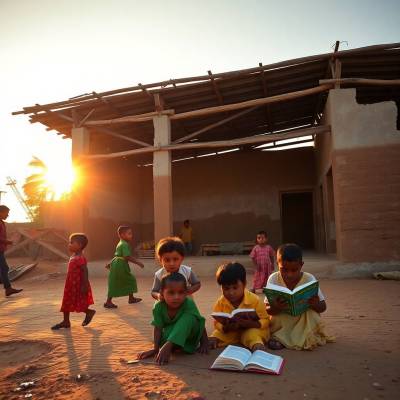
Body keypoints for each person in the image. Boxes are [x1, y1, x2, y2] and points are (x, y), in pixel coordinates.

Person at [265, 243, 334, 350]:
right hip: (283, 318)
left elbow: (323, 307)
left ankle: (292, 339)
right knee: (277, 318)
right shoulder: (273, 279)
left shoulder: (309, 279)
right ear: (277, 264)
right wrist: (276, 307)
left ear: (301, 265)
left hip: (303, 318)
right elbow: (267, 310)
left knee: (311, 315)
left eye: (294, 270)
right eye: (284, 270)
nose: (289, 275)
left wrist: (315, 304)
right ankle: (282, 338)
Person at [137, 272, 208, 365]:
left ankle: (170, 345)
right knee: (165, 333)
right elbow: (158, 328)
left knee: (189, 318)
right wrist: (155, 349)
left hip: (190, 335)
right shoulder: (158, 307)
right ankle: (172, 345)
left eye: (181, 292)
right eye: (171, 292)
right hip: (173, 334)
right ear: (162, 292)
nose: (177, 297)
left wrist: (205, 342)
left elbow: (200, 322)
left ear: (186, 292)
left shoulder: (188, 303)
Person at [209, 262, 269, 352]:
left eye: (235, 287)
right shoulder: (221, 302)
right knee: (217, 334)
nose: (231, 292)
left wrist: (252, 324)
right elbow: (216, 322)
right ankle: (214, 341)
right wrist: (224, 327)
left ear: (244, 284)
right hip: (231, 331)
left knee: (251, 335)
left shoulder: (255, 300)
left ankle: (257, 345)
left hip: (252, 329)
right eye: (226, 288)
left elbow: (266, 320)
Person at [51, 233, 95, 329]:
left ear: (79, 245)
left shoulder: (80, 258)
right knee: (66, 302)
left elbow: (85, 271)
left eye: (71, 243)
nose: (69, 244)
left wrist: (84, 285)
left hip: (78, 285)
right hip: (70, 284)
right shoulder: (74, 256)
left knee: (78, 302)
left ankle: (89, 312)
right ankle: (66, 321)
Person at [104, 226, 144, 308]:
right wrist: (138, 262)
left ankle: (130, 298)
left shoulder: (120, 243)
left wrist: (110, 263)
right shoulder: (124, 244)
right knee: (130, 280)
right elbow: (127, 257)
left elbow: (117, 255)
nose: (131, 235)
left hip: (117, 264)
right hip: (120, 265)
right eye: (129, 234)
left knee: (117, 281)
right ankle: (110, 302)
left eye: (131, 233)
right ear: (122, 235)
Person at [151, 236, 201, 300]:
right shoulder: (159, 274)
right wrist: (158, 296)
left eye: (175, 259)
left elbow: (197, 283)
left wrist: (190, 290)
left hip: (185, 304)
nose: (171, 263)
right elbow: (154, 291)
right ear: (160, 260)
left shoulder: (187, 271)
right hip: (167, 305)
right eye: (167, 260)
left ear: (182, 258)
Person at [0, 205, 23, 297]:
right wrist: (8, 242)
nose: (7, 215)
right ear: (1, 212)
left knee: (4, 268)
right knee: (4, 268)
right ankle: (8, 288)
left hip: (1, 249)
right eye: (6, 213)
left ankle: (8, 288)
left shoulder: (1, 222)